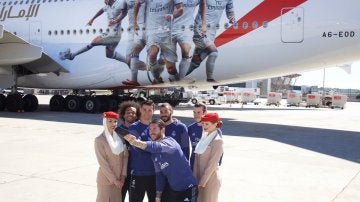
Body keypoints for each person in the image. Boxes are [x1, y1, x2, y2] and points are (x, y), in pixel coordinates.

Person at [124, 119, 198, 202]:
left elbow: (155, 146)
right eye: (150, 129)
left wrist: (136, 142)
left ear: (163, 129)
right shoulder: (154, 155)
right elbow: (160, 176)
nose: (151, 132)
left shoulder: (170, 142)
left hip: (187, 188)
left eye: (154, 129)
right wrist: (158, 195)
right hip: (173, 190)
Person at [59, 0, 130, 67]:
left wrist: (116, 20)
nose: (104, 0)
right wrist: (92, 19)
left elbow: (124, 13)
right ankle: (128, 62)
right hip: (110, 34)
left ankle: (72, 56)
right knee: (109, 55)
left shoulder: (119, 4)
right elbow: (101, 10)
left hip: (114, 35)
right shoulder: (108, 6)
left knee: (94, 42)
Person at [186, 0, 236, 82]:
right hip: (200, 29)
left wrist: (232, 19)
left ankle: (181, 76)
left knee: (196, 61)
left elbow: (230, 12)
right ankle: (210, 78)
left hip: (212, 32)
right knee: (214, 53)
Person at [143, 0, 184, 83]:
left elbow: (180, 10)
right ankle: (157, 78)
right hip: (153, 33)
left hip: (168, 35)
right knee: (152, 55)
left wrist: (172, 15)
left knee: (171, 69)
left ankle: (177, 84)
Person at [94, 111, 128, 202]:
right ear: (104, 122)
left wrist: (123, 176)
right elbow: (103, 163)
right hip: (106, 181)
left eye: (115, 121)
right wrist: (114, 180)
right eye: (110, 121)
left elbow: (125, 157)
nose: (113, 124)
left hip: (120, 180)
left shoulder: (120, 138)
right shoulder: (99, 140)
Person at [127, 100, 156, 202]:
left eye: (149, 110)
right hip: (138, 173)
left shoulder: (157, 126)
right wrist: (154, 146)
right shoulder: (134, 127)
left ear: (153, 111)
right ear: (140, 110)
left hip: (155, 173)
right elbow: (137, 146)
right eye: (144, 109)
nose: (147, 112)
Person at [171, 0, 206, 79]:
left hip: (187, 28)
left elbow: (203, 3)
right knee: (169, 59)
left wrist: (203, 22)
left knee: (186, 54)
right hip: (170, 28)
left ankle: (182, 80)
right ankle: (173, 77)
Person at [193, 113, 223, 202]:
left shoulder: (217, 141)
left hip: (209, 180)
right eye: (203, 123)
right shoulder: (204, 136)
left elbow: (212, 164)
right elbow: (196, 160)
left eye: (207, 124)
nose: (204, 126)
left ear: (215, 124)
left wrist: (202, 182)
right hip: (199, 180)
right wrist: (195, 179)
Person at [116, 101, 140, 201]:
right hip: (120, 172)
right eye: (128, 112)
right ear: (123, 114)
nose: (130, 114)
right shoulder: (117, 130)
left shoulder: (141, 128)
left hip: (136, 172)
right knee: (119, 198)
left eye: (133, 112)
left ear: (137, 115)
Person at [122, 0, 148, 86]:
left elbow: (137, 4)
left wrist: (135, 22)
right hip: (131, 29)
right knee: (128, 60)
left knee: (134, 51)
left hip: (140, 26)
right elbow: (123, 12)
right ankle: (153, 69)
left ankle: (134, 80)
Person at [187, 103, 207, 170]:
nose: (196, 115)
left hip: (206, 164)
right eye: (194, 112)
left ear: (205, 113)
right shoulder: (190, 128)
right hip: (193, 163)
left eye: (199, 112)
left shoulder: (213, 129)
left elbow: (219, 148)